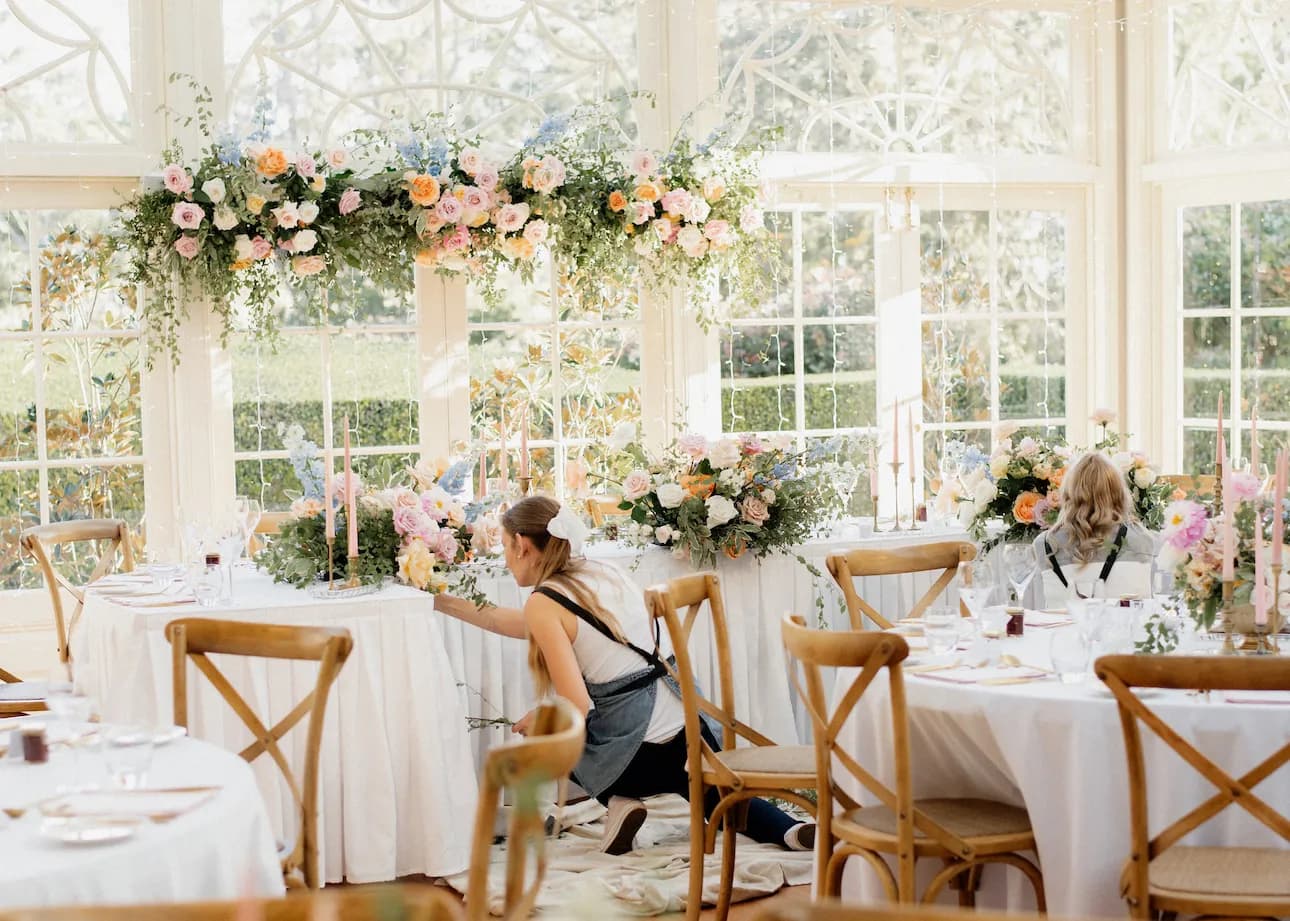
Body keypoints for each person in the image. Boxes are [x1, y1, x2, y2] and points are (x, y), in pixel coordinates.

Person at [434, 495, 814, 856]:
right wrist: (441, 601)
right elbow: (518, 622)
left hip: (638, 755)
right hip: (690, 722)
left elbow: (577, 707)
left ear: (521, 544)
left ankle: (618, 800)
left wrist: (542, 720)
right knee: (709, 790)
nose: (505, 559)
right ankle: (789, 832)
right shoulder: (600, 571)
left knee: (549, 729)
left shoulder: (545, 602)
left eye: (504, 547)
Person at [1031, 452, 1154, 602]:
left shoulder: (1044, 544)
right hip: (1125, 624)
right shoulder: (1143, 540)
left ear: (1069, 493)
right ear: (1118, 493)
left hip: (1063, 625)